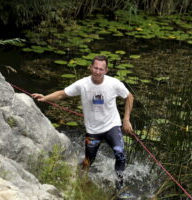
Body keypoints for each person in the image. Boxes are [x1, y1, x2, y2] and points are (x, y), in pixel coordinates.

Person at [31, 55, 134, 194]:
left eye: (101, 69)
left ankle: (119, 188)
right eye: (95, 68)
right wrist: (45, 97)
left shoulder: (114, 83)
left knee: (120, 153)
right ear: (91, 67)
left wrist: (126, 119)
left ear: (106, 70)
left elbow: (129, 96)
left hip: (112, 126)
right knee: (87, 162)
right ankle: (81, 180)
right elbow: (62, 94)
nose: (98, 72)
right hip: (93, 130)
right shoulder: (83, 84)